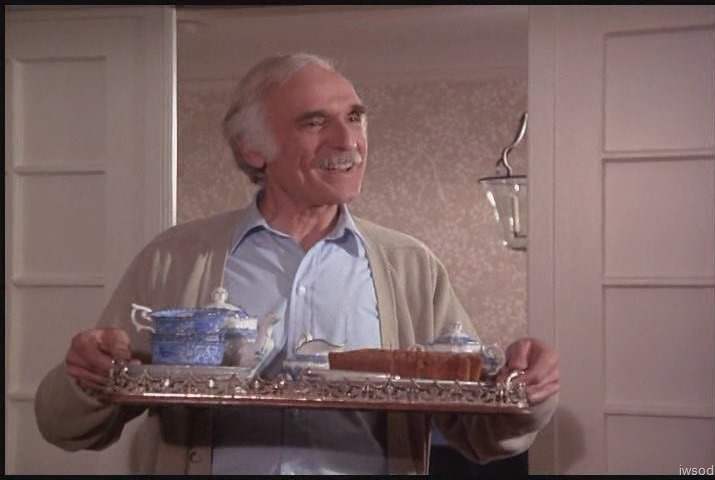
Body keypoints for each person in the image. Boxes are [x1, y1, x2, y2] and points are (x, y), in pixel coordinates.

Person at [34, 52, 560, 475]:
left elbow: (483, 434)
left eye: (354, 117)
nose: (347, 141)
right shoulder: (175, 258)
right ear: (253, 148)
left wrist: (528, 390)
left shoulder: (410, 267)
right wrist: (86, 376)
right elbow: (65, 427)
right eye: (314, 122)